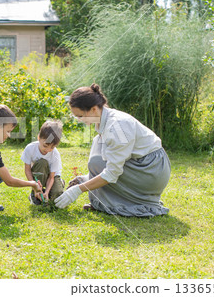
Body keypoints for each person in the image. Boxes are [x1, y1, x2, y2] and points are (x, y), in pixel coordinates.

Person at [55, 84, 171, 217]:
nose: (79, 120)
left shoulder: (117, 127)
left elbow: (112, 173)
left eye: (80, 116)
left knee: (96, 162)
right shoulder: (103, 120)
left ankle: (114, 203)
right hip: (141, 162)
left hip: (151, 170)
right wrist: (86, 178)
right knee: (97, 145)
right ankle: (105, 200)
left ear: (93, 109)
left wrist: (78, 190)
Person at [21, 120, 64, 205]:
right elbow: (27, 171)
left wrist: (47, 192)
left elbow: (51, 177)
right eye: (45, 146)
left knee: (56, 198)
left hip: (52, 177)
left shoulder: (55, 154)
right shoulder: (30, 148)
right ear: (39, 137)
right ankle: (34, 194)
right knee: (42, 162)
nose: (48, 150)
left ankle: (60, 183)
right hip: (39, 175)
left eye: (52, 147)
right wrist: (34, 188)